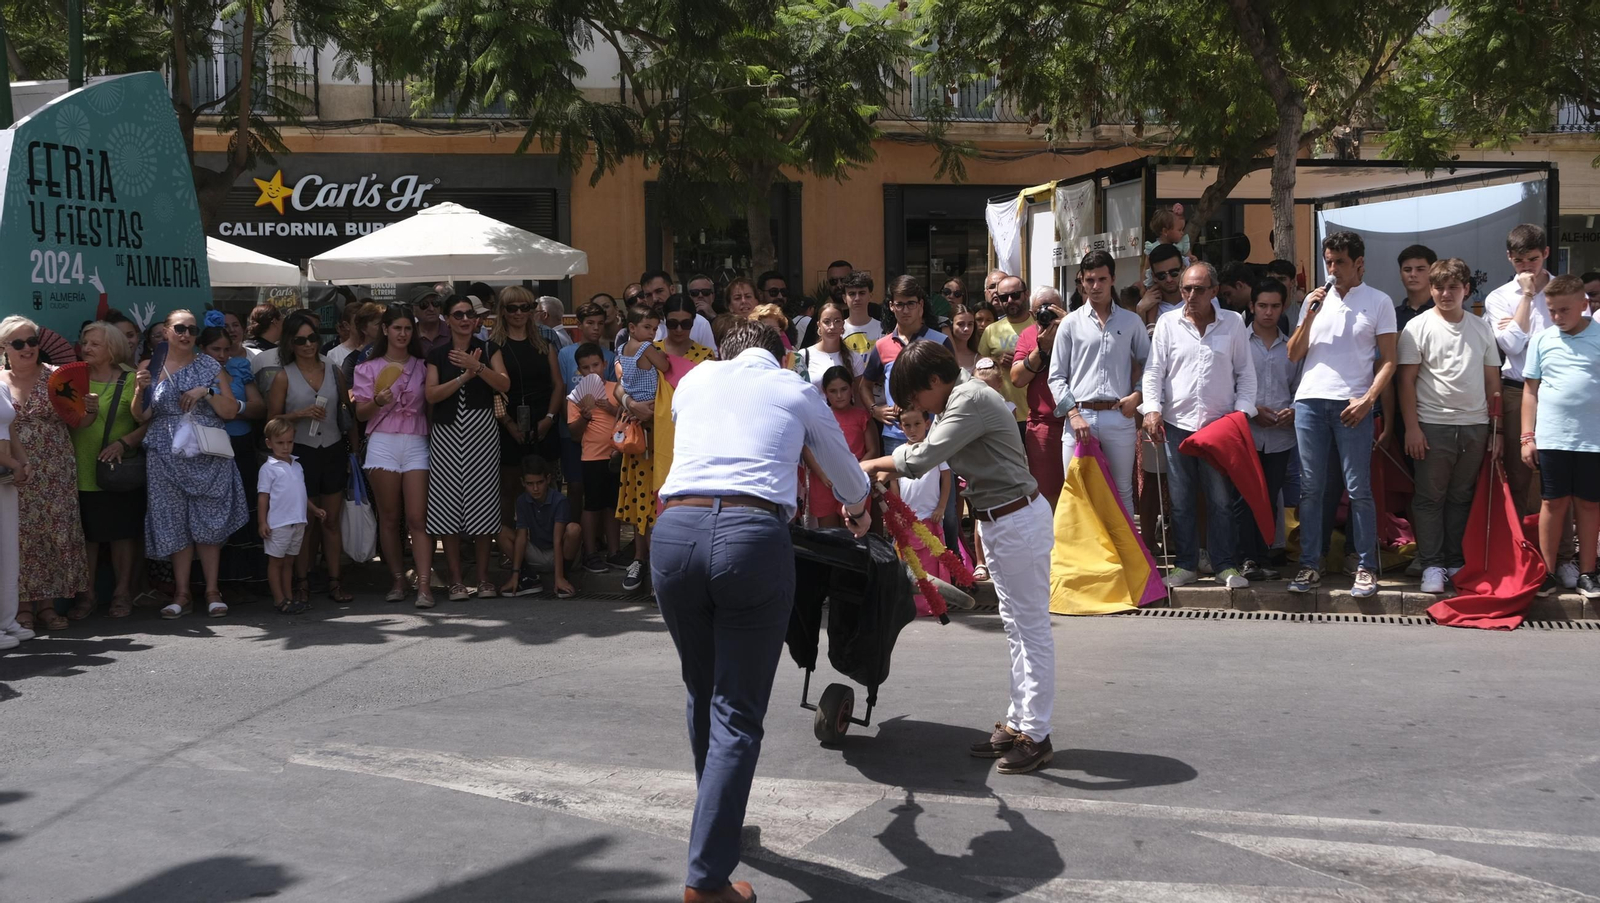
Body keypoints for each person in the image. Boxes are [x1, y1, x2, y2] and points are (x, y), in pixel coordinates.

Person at [653, 321, 871, 903]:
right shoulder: (793, 387)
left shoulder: (695, 381)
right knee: (736, 712)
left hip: (673, 533)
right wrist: (859, 509)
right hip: (749, 537)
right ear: (780, 357)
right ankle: (706, 881)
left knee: (703, 691)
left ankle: (715, 827)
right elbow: (849, 479)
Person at [860, 340, 1055, 775]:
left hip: (1016, 521)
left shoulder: (967, 399)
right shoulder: (958, 399)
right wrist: (886, 467)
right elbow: (927, 453)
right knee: (1017, 628)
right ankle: (1021, 722)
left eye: (914, 399)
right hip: (1001, 521)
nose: (916, 408)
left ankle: (1037, 735)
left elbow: (927, 454)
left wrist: (870, 465)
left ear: (934, 381)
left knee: (1032, 630)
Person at [1286, 231, 1398, 599]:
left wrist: (1368, 400)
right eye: (1328, 262)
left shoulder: (1379, 301)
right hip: (1310, 401)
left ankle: (1365, 566)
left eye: (1340, 262)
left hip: (1353, 404)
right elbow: (1294, 353)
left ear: (1359, 263)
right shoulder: (1315, 302)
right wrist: (1309, 314)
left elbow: (1389, 360)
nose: (1332, 269)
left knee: (1358, 488)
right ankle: (1310, 564)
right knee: (1312, 488)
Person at [130, 309, 247, 619]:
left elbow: (230, 410)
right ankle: (182, 594)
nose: (186, 335)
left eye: (192, 330)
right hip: (165, 452)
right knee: (173, 521)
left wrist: (206, 392)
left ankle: (212, 590)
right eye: (179, 328)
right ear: (167, 331)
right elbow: (140, 416)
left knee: (208, 521)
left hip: (206, 452)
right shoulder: (149, 367)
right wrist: (140, 388)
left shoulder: (210, 365)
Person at [1398, 257, 1502, 595]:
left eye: (1453, 287)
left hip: (1475, 426)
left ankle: (1455, 560)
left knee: (1461, 497)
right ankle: (1431, 563)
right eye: (1439, 287)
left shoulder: (1482, 327)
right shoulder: (1417, 327)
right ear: (1431, 289)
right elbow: (1405, 382)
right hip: (1432, 425)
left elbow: (1493, 381)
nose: (1445, 293)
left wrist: (1495, 431)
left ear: (1466, 289)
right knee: (1429, 498)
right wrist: (1412, 428)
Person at [0, 316, 90, 631]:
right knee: (18, 537)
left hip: (55, 468)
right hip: (11, 466)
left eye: (32, 341)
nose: (28, 348)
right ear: (4, 347)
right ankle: (21, 607)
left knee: (53, 533)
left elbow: (81, 421)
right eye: (19, 343)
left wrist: (89, 409)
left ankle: (48, 606)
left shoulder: (57, 377)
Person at [1045, 250, 1149, 514]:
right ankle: (1078, 556)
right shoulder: (1070, 323)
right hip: (1079, 416)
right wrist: (1073, 414)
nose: (1095, 286)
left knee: (1122, 490)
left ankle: (1126, 556)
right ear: (1081, 281)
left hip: (1118, 414)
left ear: (1112, 279)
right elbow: (1056, 376)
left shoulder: (1131, 321)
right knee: (1076, 492)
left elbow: (1152, 365)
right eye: (1089, 280)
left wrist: (1138, 396)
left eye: (1101, 279)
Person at [425, 295, 513, 601]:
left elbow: (504, 384)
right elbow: (432, 395)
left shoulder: (489, 348)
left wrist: (478, 366)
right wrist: (464, 376)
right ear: (447, 319)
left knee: (483, 503)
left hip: (482, 431)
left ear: (476, 319)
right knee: (447, 505)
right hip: (447, 434)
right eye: (457, 314)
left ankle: (485, 578)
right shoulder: (436, 355)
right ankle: (456, 580)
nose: (464, 319)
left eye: (468, 314)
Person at [267, 312, 354, 606]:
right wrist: (299, 414)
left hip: (331, 449)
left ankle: (335, 580)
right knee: (303, 522)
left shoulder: (333, 371)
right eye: (300, 340)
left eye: (312, 338)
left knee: (330, 521)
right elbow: (271, 420)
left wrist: (353, 452)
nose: (308, 345)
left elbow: (347, 413)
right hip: (300, 452)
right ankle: (302, 582)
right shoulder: (283, 376)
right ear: (290, 343)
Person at [1521, 275, 1600, 599]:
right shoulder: (1542, 339)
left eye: (1564, 310)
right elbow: (1530, 390)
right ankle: (1548, 573)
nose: (1557, 317)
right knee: (1551, 503)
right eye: (1552, 310)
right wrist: (1527, 436)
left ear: (1584, 305)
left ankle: (1588, 573)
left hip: (1593, 438)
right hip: (1552, 437)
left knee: (1589, 505)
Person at [353, 304, 435, 607]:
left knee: (417, 517)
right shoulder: (366, 368)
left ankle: (424, 585)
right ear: (385, 330)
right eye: (397, 328)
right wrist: (377, 400)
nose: (402, 333)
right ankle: (398, 579)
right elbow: (361, 414)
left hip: (416, 439)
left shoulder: (423, 366)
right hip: (383, 440)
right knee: (389, 517)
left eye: (407, 328)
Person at [71, 321, 148, 619]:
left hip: (119, 469)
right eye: (85, 342)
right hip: (81, 467)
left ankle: (122, 594)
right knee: (87, 537)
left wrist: (124, 443)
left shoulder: (131, 379)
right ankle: (87, 596)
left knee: (121, 535)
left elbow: (146, 421)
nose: (86, 348)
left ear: (112, 348)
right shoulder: (73, 377)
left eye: (94, 344)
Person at [1484, 224, 1559, 530]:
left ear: (1546, 254)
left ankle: (1563, 555)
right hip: (1516, 389)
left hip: (1557, 391)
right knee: (1517, 474)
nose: (1526, 266)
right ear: (1509, 258)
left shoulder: (1564, 289)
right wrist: (1527, 297)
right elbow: (1511, 345)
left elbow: (1569, 339)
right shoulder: (1500, 297)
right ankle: (1519, 552)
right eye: (1519, 261)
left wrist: (1517, 325)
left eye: (1532, 259)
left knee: (1558, 478)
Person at [491, 285, 565, 568]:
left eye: (525, 307)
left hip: (542, 417)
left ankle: (548, 548)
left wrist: (549, 417)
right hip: (508, 420)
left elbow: (558, 384)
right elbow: (494, 390)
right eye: (513, 308)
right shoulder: (494, 344)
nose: (519, 313)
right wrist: (508, 423)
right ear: (503, 311)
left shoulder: (545, 341)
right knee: (510, 488)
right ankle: (511, 553)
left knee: (547, 484)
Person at [1237, 281, 1300, 582]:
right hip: (1246, 432)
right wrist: (1252, 410)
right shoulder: (1239, 343)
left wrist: (1294, 411)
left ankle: (1264, 555)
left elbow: (1299, 387)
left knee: (1269, 496)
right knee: (1245, 497)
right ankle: (1246, 557)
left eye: (1275, 306)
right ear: (1252, 307)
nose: (1268, 312)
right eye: (1262, 305)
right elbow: (1230, 385)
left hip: (1280, 435)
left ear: (1283, 307)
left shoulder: (1291, 347)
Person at [200, 321, 268, 587]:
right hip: (210, 450)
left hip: (241, 447)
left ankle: (249, 579)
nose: (222, 355)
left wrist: (233, 407)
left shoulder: (238, 367)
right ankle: (220, 583)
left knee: (246, 510)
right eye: (215, 349)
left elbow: (259, 408)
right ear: (202, 349)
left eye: (226, 349)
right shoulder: (194, 374)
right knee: (218, 513)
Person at [862, 275, 951, 455]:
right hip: (895, 435)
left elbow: (954, 386)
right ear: (891, 306)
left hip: (935, 432)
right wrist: (874, 410)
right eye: (900, 304)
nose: (905, 310)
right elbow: (864, 385)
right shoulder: (882, 345)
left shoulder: (940, 342)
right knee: (897, 484)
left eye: (910, 303)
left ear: (920, 305)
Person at [1007, 285, 1070, 506]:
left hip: (1078, 422)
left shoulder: (1077, 328)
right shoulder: (1028, 335)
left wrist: (1070, 327)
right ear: (1033, 314)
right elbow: (1017, 378)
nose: (1047, 314)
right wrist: (1041, 349)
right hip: (1043, 426)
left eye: (1053, 308)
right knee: (1046, 494)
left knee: (1082, 493)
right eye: (1041, 310)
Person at [557, 302, 617, 532]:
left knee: (604, 491)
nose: (596, 328)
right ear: (580, 325)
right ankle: (576, 535)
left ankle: (601, 539)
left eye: (601, 323)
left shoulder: (610, 356)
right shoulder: (565, 353)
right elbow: (563, 390)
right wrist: (571, 423)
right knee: (575, 484)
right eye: (590, 323)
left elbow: (611, 391)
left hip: (603, 437)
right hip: (572, 428)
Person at [566, 343, 625, 575]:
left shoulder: (617, 389)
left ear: (605, 364)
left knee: (614, 506)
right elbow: (573, 432)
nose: (592, 371)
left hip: (617, 455)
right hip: (591, 457)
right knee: (592, 506)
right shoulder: (575, 398)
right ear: (579, 371)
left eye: (596, 365)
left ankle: (614, 552)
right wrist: (584, 417)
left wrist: (611, 410)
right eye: (585, 368)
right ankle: (590, 553)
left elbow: (627, 418)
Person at [258, 418, 326, 614]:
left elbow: (301, 493)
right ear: (269, 443)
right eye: (280, 443)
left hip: (297, 522)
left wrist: (313, 509)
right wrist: (262, 521)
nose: (286, 447)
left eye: (289, 442)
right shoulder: (268, 469)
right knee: (276, 562)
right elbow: (263, 497)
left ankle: (289, 597)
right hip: (278, 524)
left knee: (289, 562)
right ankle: (279, 599)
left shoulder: (297, 466)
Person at [889, 406, 953, 601]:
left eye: (917, 424)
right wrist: (897, 510)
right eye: (907, 425)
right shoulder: (899, 451)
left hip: (930, 515)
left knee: (931, 559)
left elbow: (946, 478)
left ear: (927, 423)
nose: (912, 429)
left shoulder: (934, 450)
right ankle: (911, 602)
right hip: (906, 517)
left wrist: (941, 507)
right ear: (901, 427)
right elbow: (893, 481)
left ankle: (933, 600)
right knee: (908, 559)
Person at [800, 365, 877, 526]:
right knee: (830, 536)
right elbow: (807, 449)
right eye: (833, 391)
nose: (839, 395)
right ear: (824, 391)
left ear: (852, 388)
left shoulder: (862, 417)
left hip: (854, 480)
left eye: (844, 389)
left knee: (853, 532)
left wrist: (853, 471)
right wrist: (822, 474)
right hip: (823, 481)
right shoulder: (819, 416)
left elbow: (873, 450)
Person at [505, 454, 581, 598]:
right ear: (523, 482)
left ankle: (563, 575)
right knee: (502, 532)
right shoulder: (522, 501)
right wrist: (514, 575)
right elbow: (521, 536)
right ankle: (527, 576)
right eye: (530, 484)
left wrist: (558, 577)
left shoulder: (559, 501)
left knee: (574, 529)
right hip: (536, 552)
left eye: (539, 482)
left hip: (558, 553)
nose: (535, 488)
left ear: (548, 479)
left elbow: (557, 540)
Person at [976, 274, 1034, 434]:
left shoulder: (1039, 325)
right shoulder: (991, 330)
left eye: (1015, 295)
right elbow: (978, 371)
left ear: (1026, 294)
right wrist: (996, 362)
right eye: (1003, 297)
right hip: (1001, 414)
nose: (1009, 300)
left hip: (1035, 415)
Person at [792, 299, 853, 389]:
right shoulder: (803, 355)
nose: (832, 327)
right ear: (819, 325)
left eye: (837, 321)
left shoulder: (854, 357)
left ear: (843, 325)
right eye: (826, 322)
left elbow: (858, 395)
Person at [1137, 244, 1186, 328]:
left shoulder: (1200, 299)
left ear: (1183, 269)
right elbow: (1141, 340)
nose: (1169, 279)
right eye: (1161, 275)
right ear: (1154, 276)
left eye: (1174, 272)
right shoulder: (1147, 307)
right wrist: (1140, 311)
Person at [1395, 244, 1438, 333]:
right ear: (1400, 274)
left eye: (1420, 269)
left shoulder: (1444, 310)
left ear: (1433, 272)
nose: (1413, 274)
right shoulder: (1392, 315)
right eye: (1407, 270)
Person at [328, 300, 381, 371]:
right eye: (357, 322)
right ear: (346, 325)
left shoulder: (380, 349)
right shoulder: (334, 354)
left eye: (365, 322)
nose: (361, 326)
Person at [410, 284, 447, 352]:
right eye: (424, 304)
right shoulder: (408, 335)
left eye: (435, 303)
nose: (431, 309)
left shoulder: (452, 331)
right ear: (413, 310)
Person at [948, 304, 980, 374]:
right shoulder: (943, 354)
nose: (966, 329)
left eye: (970, 324)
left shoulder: (978, 358)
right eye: (960, 324)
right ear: (951, 325)